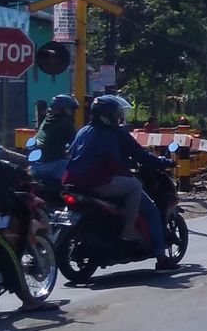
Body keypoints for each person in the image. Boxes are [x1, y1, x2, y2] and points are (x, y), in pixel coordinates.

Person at [63, 94, 178, 270]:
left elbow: (69, 154)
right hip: (101, 182)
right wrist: (165, 162)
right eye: (116, 114)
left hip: (76, 184)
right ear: (108, 116)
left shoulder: (82, 131)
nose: (119, 117)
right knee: (141, 195)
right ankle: (148, 246)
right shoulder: (117, 133)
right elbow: (142, 156)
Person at [32, 94, 78, 182]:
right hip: (52, 166)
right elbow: (77, 146)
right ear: (66, 110)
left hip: (35, 165)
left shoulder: (47, 120)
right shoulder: (66, 124)